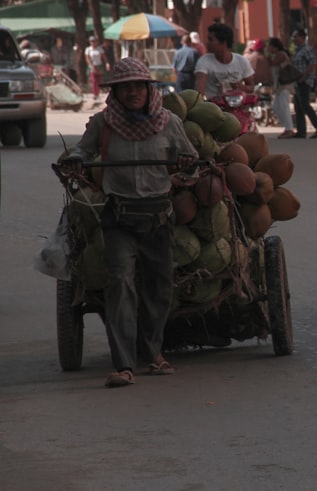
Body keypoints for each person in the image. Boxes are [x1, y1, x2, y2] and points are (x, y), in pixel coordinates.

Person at [63, 58, 198, 388]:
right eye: (126, 87)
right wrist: (76, 161)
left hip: (158, 216)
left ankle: (153, 354)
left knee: (158, 288)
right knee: (120, 284)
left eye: (139, 86)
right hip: (119, 217)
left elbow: (192, 165)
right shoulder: (102, 123)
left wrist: (186, 165)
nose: (133, 92)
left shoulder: (168, 122)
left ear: (149, 89)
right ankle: (124, 365)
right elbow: (82, 151)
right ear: (116, 93)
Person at [194, 23, 255, 99]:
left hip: (237, 106)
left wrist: (240, 86)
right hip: (214, 107)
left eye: (211, 40)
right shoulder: (204, 61)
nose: (207, 43)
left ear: (223, 43)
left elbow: (251, 87)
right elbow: (200, 90)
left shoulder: (242, 61)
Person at [291, 28, 317, 139]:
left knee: (305, 105)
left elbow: (312, 64)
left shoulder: (306, 50)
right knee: (298, 106)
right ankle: (301, 130)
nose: (294, 39)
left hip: (305, 81)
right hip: (298, 82)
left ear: (302, 37)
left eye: (296, 37)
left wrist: (304, 76)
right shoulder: (298, 50)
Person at [266, 37, 296, 138]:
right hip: (279, 86)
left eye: (269, 46)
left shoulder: (281, 55)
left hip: (284, 85)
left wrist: (268, 56)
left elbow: (273, 63)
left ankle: (289, 129)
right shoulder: (277, 55)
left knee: (284, 107)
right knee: (276, 106)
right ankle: (287, 127)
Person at [85, 35, 109, 105]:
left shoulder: (99, 49)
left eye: (94, 41)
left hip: (99, 65)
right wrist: (91, 65)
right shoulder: (88, 49)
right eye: (91, 41)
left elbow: (104, 57)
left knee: (99, 80)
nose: (93, 43)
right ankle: (95, 94)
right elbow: (87, 58)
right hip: (93, 65)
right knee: (94, 80)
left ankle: (98, 93)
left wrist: (107, 63)